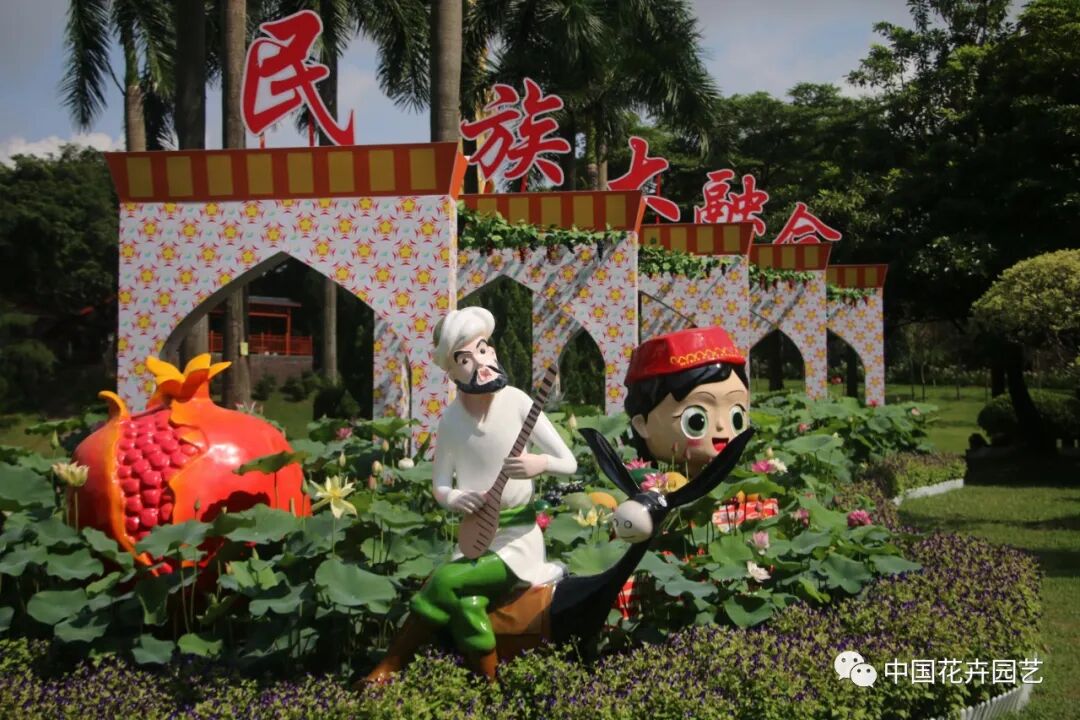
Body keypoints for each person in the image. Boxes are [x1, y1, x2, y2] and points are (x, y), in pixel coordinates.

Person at [365, 306, 577, 683]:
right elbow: (441, 485)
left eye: (483, 350)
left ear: (492, 352)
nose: (479, 363)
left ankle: (390, 666)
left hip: (517, 540)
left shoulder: (518, 402)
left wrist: (538, 463)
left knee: (444, 582)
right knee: (467, 602)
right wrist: (453, 498)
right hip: (476, 537)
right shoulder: (450, 421)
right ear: (451, 371)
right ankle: (489, 685)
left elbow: (569, 462)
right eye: (465, 358)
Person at [624, 326, 751, 479]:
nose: (721, 426)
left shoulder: (742, 488)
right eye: (696, 420)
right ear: (642, 424)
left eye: (736, 417)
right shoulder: (652, 490)